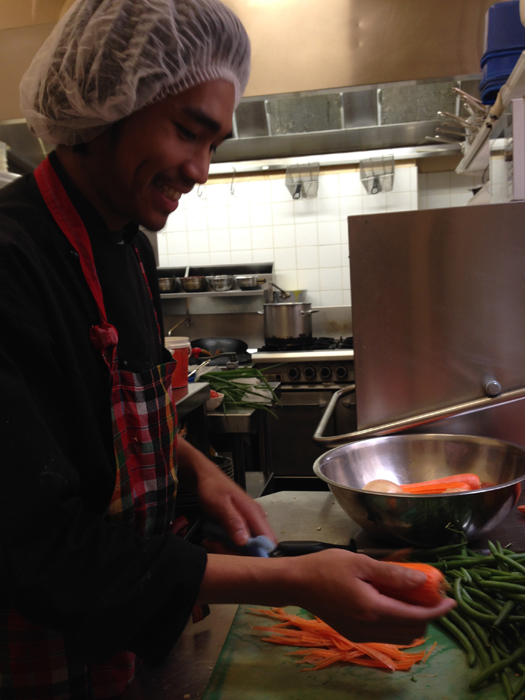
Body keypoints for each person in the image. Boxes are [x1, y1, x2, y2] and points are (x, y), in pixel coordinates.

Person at [0, 0, 455, 697]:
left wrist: (195, 470)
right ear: (104, 106)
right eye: (190, 132)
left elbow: (90, 424)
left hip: (120, 647)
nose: (202, 169)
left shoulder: (124, 245)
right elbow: (36, 547)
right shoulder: (12, 263)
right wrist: (289, 582)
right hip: (35, 660)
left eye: (214, 144)